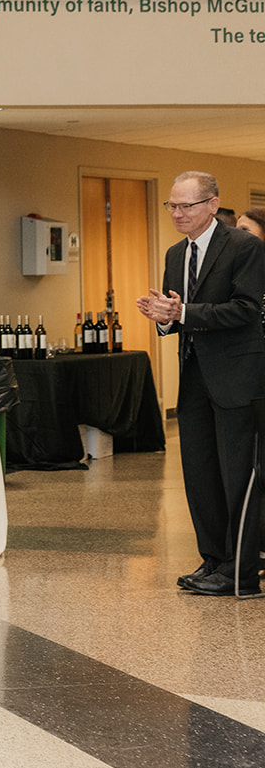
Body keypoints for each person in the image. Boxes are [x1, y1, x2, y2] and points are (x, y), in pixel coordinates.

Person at [136, 172, 264, 598]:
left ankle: (241, 572)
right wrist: (163, 318)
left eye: (186, 205)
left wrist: (185, 313)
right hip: (193, 378)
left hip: (236, 380)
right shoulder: (176, 254)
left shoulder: (245, 248)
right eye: (172, 206)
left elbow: (245, 310)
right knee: (200, 474)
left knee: (237, 476)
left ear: (212, 205)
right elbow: (181, 315)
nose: (177, 213)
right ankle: (213, 560)